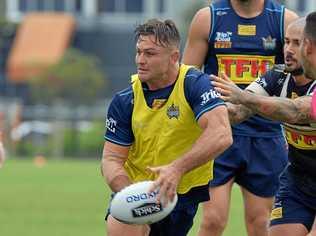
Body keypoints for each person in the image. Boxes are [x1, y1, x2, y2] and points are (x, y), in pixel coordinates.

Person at [101, 19, 233, 236]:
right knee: (121, 225)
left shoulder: (195, 85)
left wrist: (176, 169)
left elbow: (221, 133)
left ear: (174, 57)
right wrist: (129, 192)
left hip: (182, 193)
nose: (140, 60)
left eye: (150, 54)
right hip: (138, 187)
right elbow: (111, 159)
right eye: (138, 52)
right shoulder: (125, 100)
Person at [182, 0, 298, 235]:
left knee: (260, 223)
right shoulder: (208, 18)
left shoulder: (285, 21)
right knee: (212, 220)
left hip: (266, 136)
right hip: (220, 132)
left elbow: (299, 76)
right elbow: (187, 81)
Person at [211, 13, 316, 236]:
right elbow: (238, 112)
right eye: (286, 41)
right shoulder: (276, 76)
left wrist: (242, 96)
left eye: (297, 43)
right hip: (298, 179)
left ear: (310, 47)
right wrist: (202, 108)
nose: (288, 49)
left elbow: (296, 111)